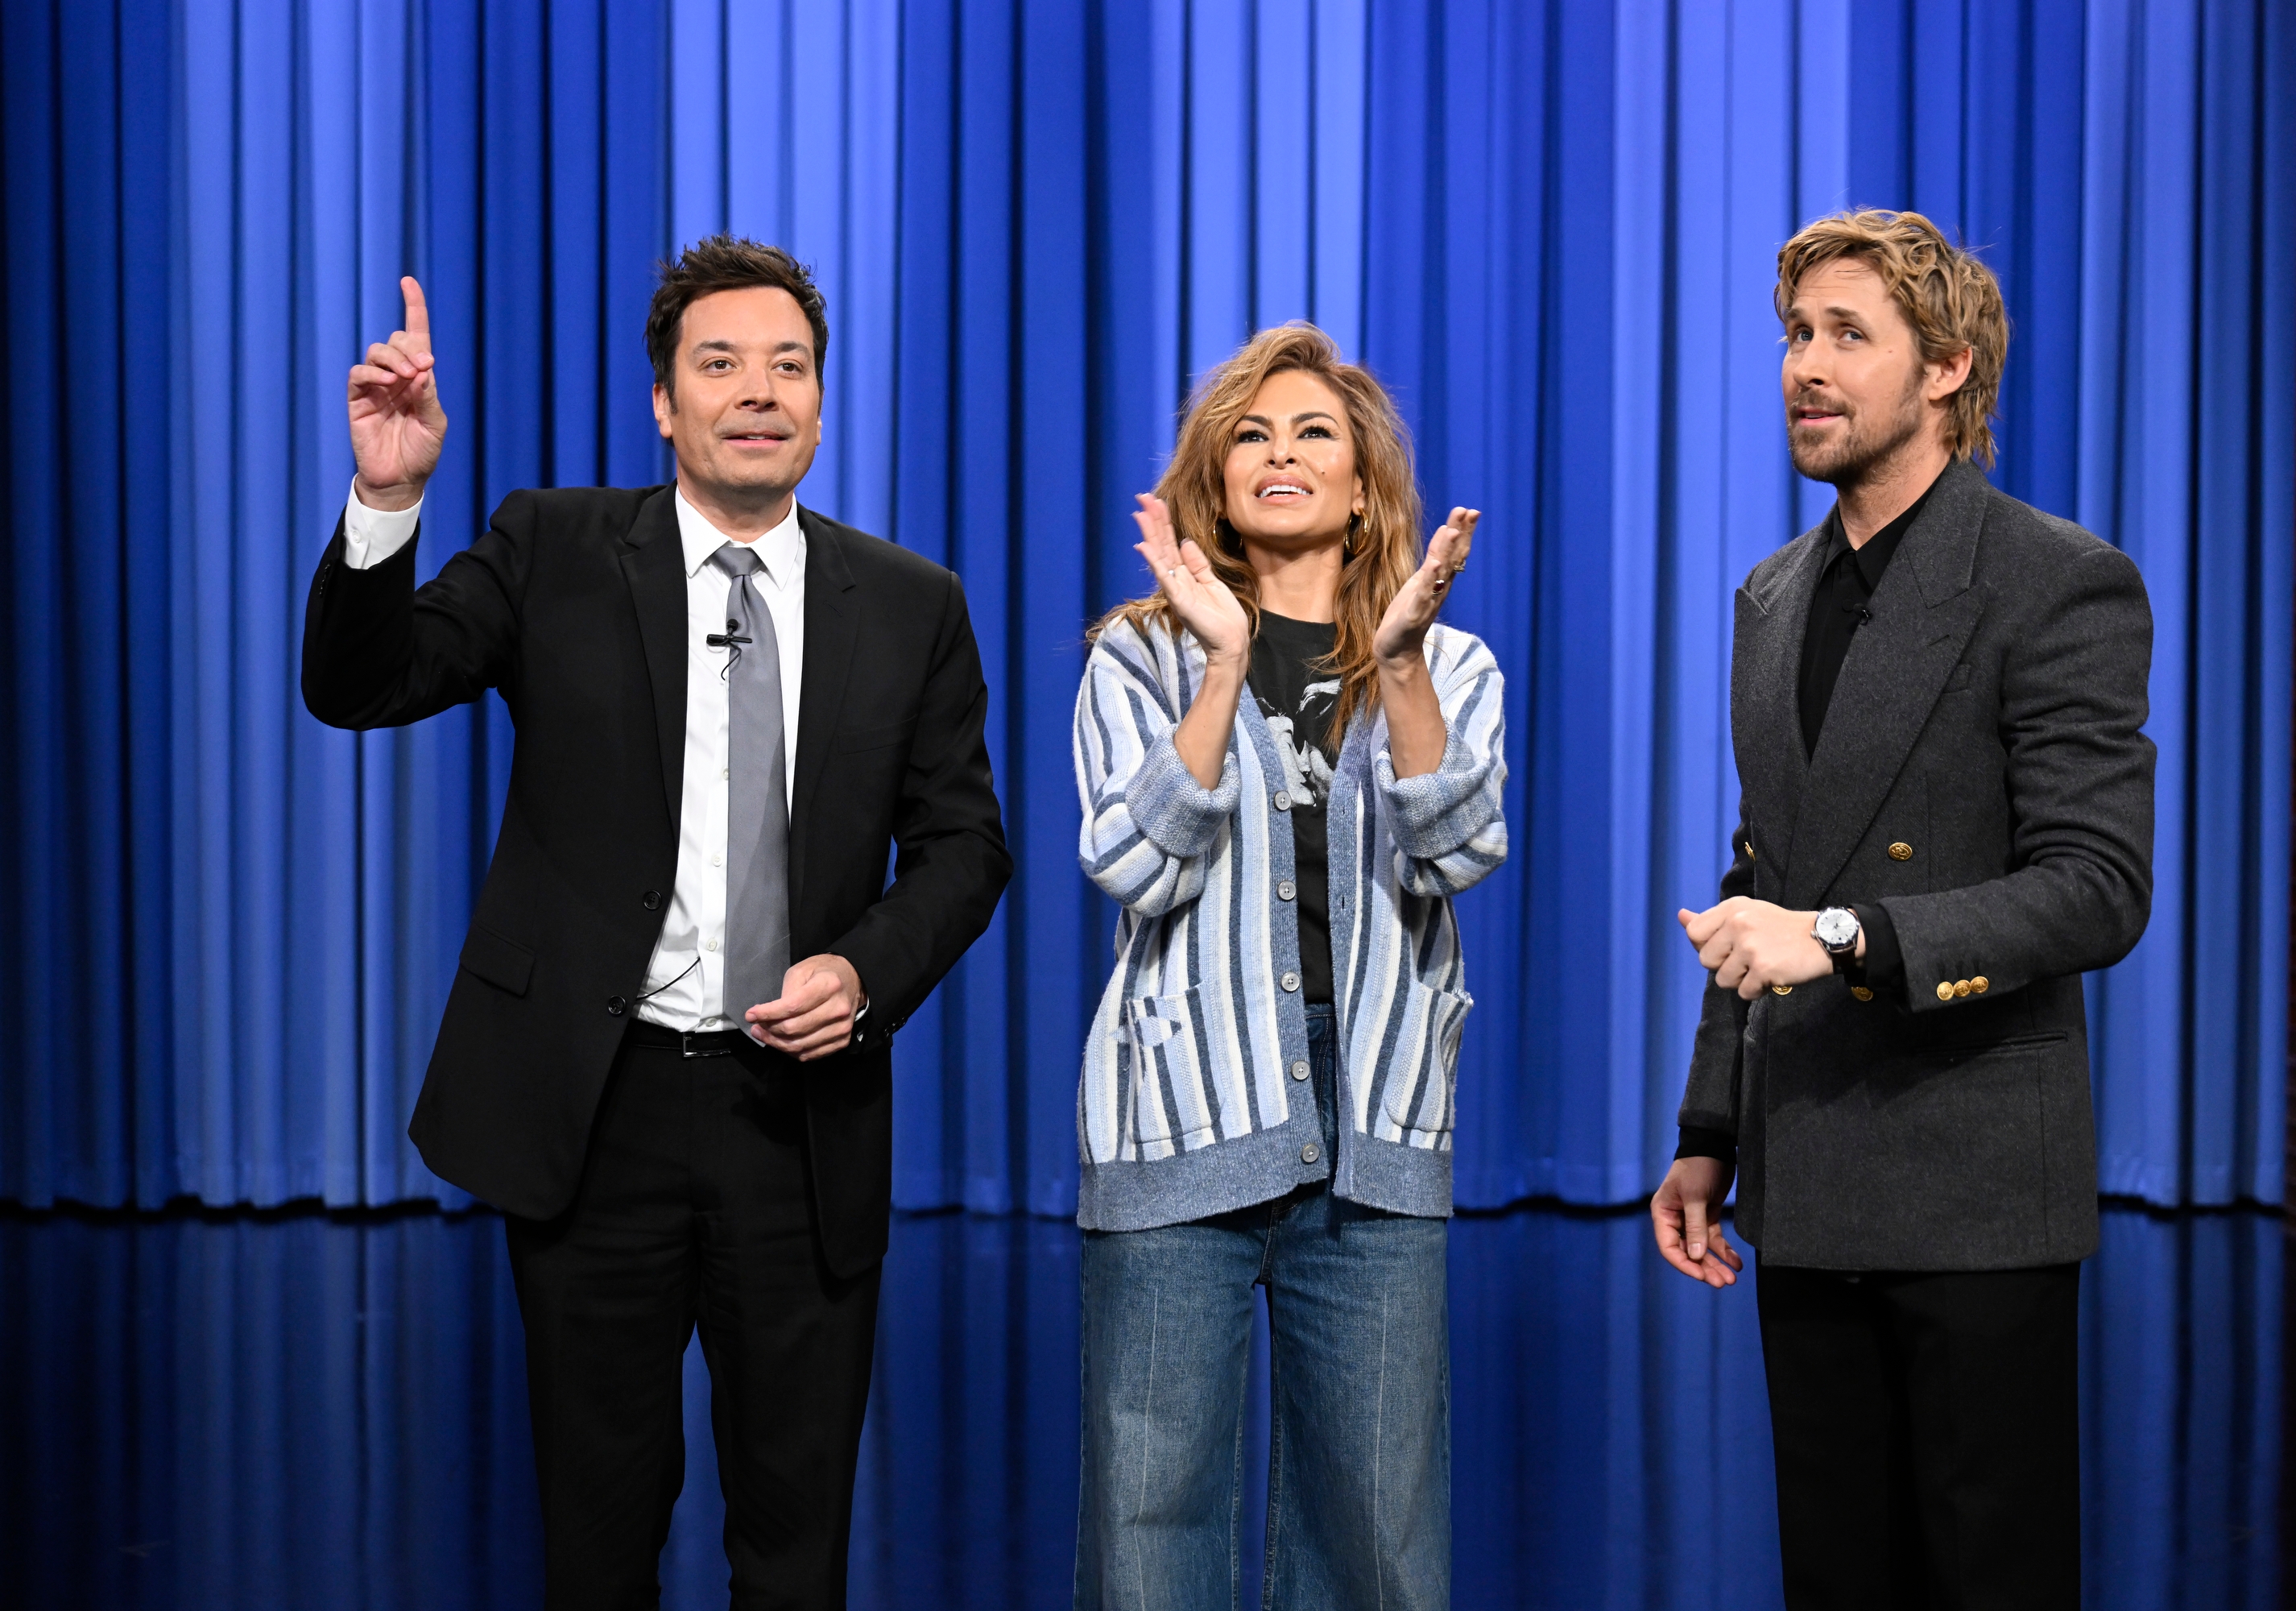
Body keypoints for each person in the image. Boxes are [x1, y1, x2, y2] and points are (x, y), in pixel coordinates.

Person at [300, 237, 1011, 1607]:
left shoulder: (910, 603)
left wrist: (863, 973)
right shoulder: (555, 547)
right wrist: (388, 500)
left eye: (788, 367)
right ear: (665, 406)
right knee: (598, 1539)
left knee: (795, 1550)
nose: (759, 392)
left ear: (821, 406)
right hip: (595, 1108)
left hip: (797, 1120)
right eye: (721, 364)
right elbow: (360, 685)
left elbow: (965, 847)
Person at [1651, 209, 2153, 1609]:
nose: (1805, 367)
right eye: (1794, 336)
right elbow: (1768, 875)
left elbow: (2098, 886)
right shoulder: (1771, 596)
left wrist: (1850, 939)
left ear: (1945, 368)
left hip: (1976, 1184)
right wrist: (1709, 1129)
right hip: (1808, 1169)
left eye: (1846, 336)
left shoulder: (2057, 579)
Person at [1069, 322, 1507, 1610]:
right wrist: (1220, 667)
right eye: (1252, 434)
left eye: (1315, 433)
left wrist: (1403, 664)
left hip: (1374, 1124)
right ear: (1217, 480)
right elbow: (1133, 865)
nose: (1283, 453)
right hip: (1180, 1115)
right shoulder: (1140, 654)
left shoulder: (1451, 661)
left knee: (1376, 1533)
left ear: (1363, 486)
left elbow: (1458, 852)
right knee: (1150, 1524)